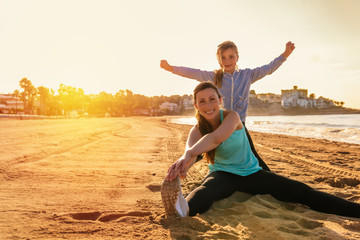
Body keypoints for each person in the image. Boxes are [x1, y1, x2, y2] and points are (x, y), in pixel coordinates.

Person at [161, 81, 360, 218]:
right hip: (222, 175)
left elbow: (214, 139)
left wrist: (188, 155)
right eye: (202, 101)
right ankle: (182, 209)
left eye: (212, 99)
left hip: (252, 174)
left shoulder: (233, 117)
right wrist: (181, 168)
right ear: (196, 105)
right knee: (206, 190)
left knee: (301, 191)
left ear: (220, 100)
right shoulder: (196, 129)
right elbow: (191, 151)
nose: (208, 105)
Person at [160, 41, 295, 172]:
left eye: (231, 56)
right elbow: (194, 73)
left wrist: (285, 54)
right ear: (219, 60)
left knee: (255, 159)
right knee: (197, 151)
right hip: (216, 124)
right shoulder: (213, 77)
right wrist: (171, 68)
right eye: (223, 58)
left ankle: (268, 181)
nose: (227, 61)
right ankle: (180, 171)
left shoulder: (247, 75)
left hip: (238, 128)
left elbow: (268, 68)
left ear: (237, 58)